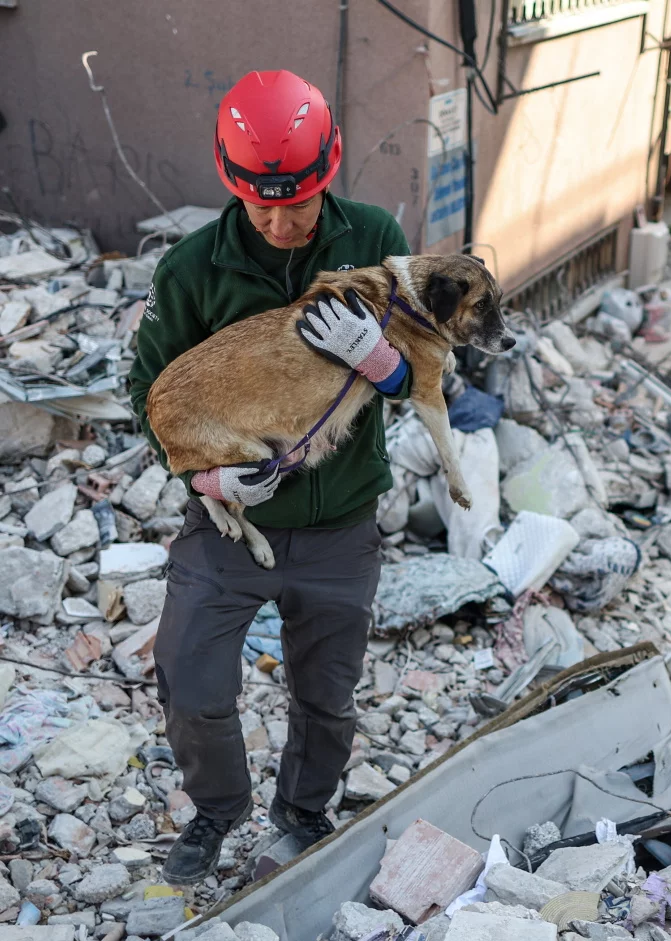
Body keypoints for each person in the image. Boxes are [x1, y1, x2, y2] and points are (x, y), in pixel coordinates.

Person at [128, 70, 414, 884]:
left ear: (330, 168)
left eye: (299, 203)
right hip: (229, 524)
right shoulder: (191, 269)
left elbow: (432, 371)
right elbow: (143, 394)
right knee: (191, 679)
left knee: (327, 694)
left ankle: (303, 810)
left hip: (340, 523)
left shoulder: (374, 236)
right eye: (263, 207)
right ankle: (218, 810)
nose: (283, 223)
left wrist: (387, 368)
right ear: (233, 183)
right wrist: (205, 482)